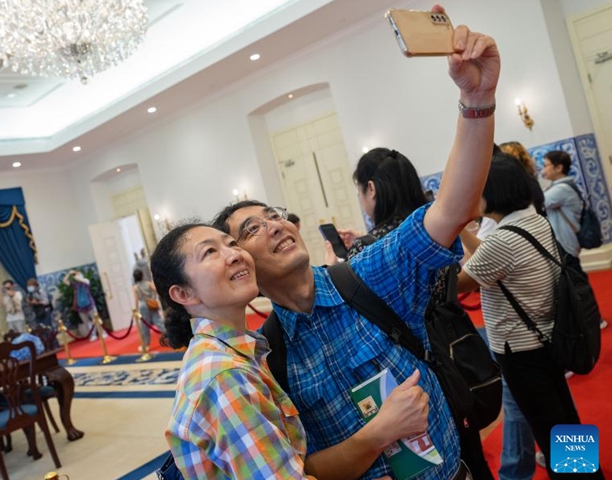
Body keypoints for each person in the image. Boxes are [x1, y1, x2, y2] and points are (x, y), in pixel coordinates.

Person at [212, 14, 499, 480]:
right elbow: (302, 468)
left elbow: (451, 209)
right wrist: (377, 435)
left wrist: (477, 99)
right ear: (241, 264)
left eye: (274, 214)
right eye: (251, 229)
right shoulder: (270, 356)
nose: (275, 224)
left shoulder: (366, 276)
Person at [154, 222, 417, 480]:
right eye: (210, 252)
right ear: (183, 294)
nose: (234, 255)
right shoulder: (223, 377)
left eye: (232, 244)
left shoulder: (239, 352)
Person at [325, 147, 493, 480]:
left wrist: (337, 267)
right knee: (472, 454)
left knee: (435, 459)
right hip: (455, 356)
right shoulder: (432, 231)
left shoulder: (368, 249)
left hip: (411, 374)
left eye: (361, 192)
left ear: (371, 189)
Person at [458, 154, 603, 480]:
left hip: (521, 352)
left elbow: (459, 282)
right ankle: (587, 473)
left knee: (549, 429)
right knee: (563, 419)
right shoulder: (531, 220)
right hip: (545, 338)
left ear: (493, 191)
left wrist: (452, 231)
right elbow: (488, 256)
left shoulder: (502, 240)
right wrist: (464, 230)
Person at [63, 270, 103, 341]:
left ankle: (102, 333)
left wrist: (77, 275)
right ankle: (93, 335)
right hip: (81, 307)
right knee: (86, 322)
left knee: (96, 319)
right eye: (76, 275)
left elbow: (81, 279)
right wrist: (69, 273)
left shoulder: (86, 282)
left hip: (90, 304)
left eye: (78, 275)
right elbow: (65, 281)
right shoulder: (76, 285)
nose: (76, 276)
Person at [132, 269, 165, 352]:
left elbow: (136, 299)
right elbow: (156, 289)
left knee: (145, 326)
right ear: (142, 275)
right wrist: (153, 298)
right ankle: (171, 339)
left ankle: (146, 345)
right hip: (151, 304)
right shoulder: (148, 283)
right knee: (158, 322)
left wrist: (135, 309)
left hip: (143, 306)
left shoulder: (135, 287)